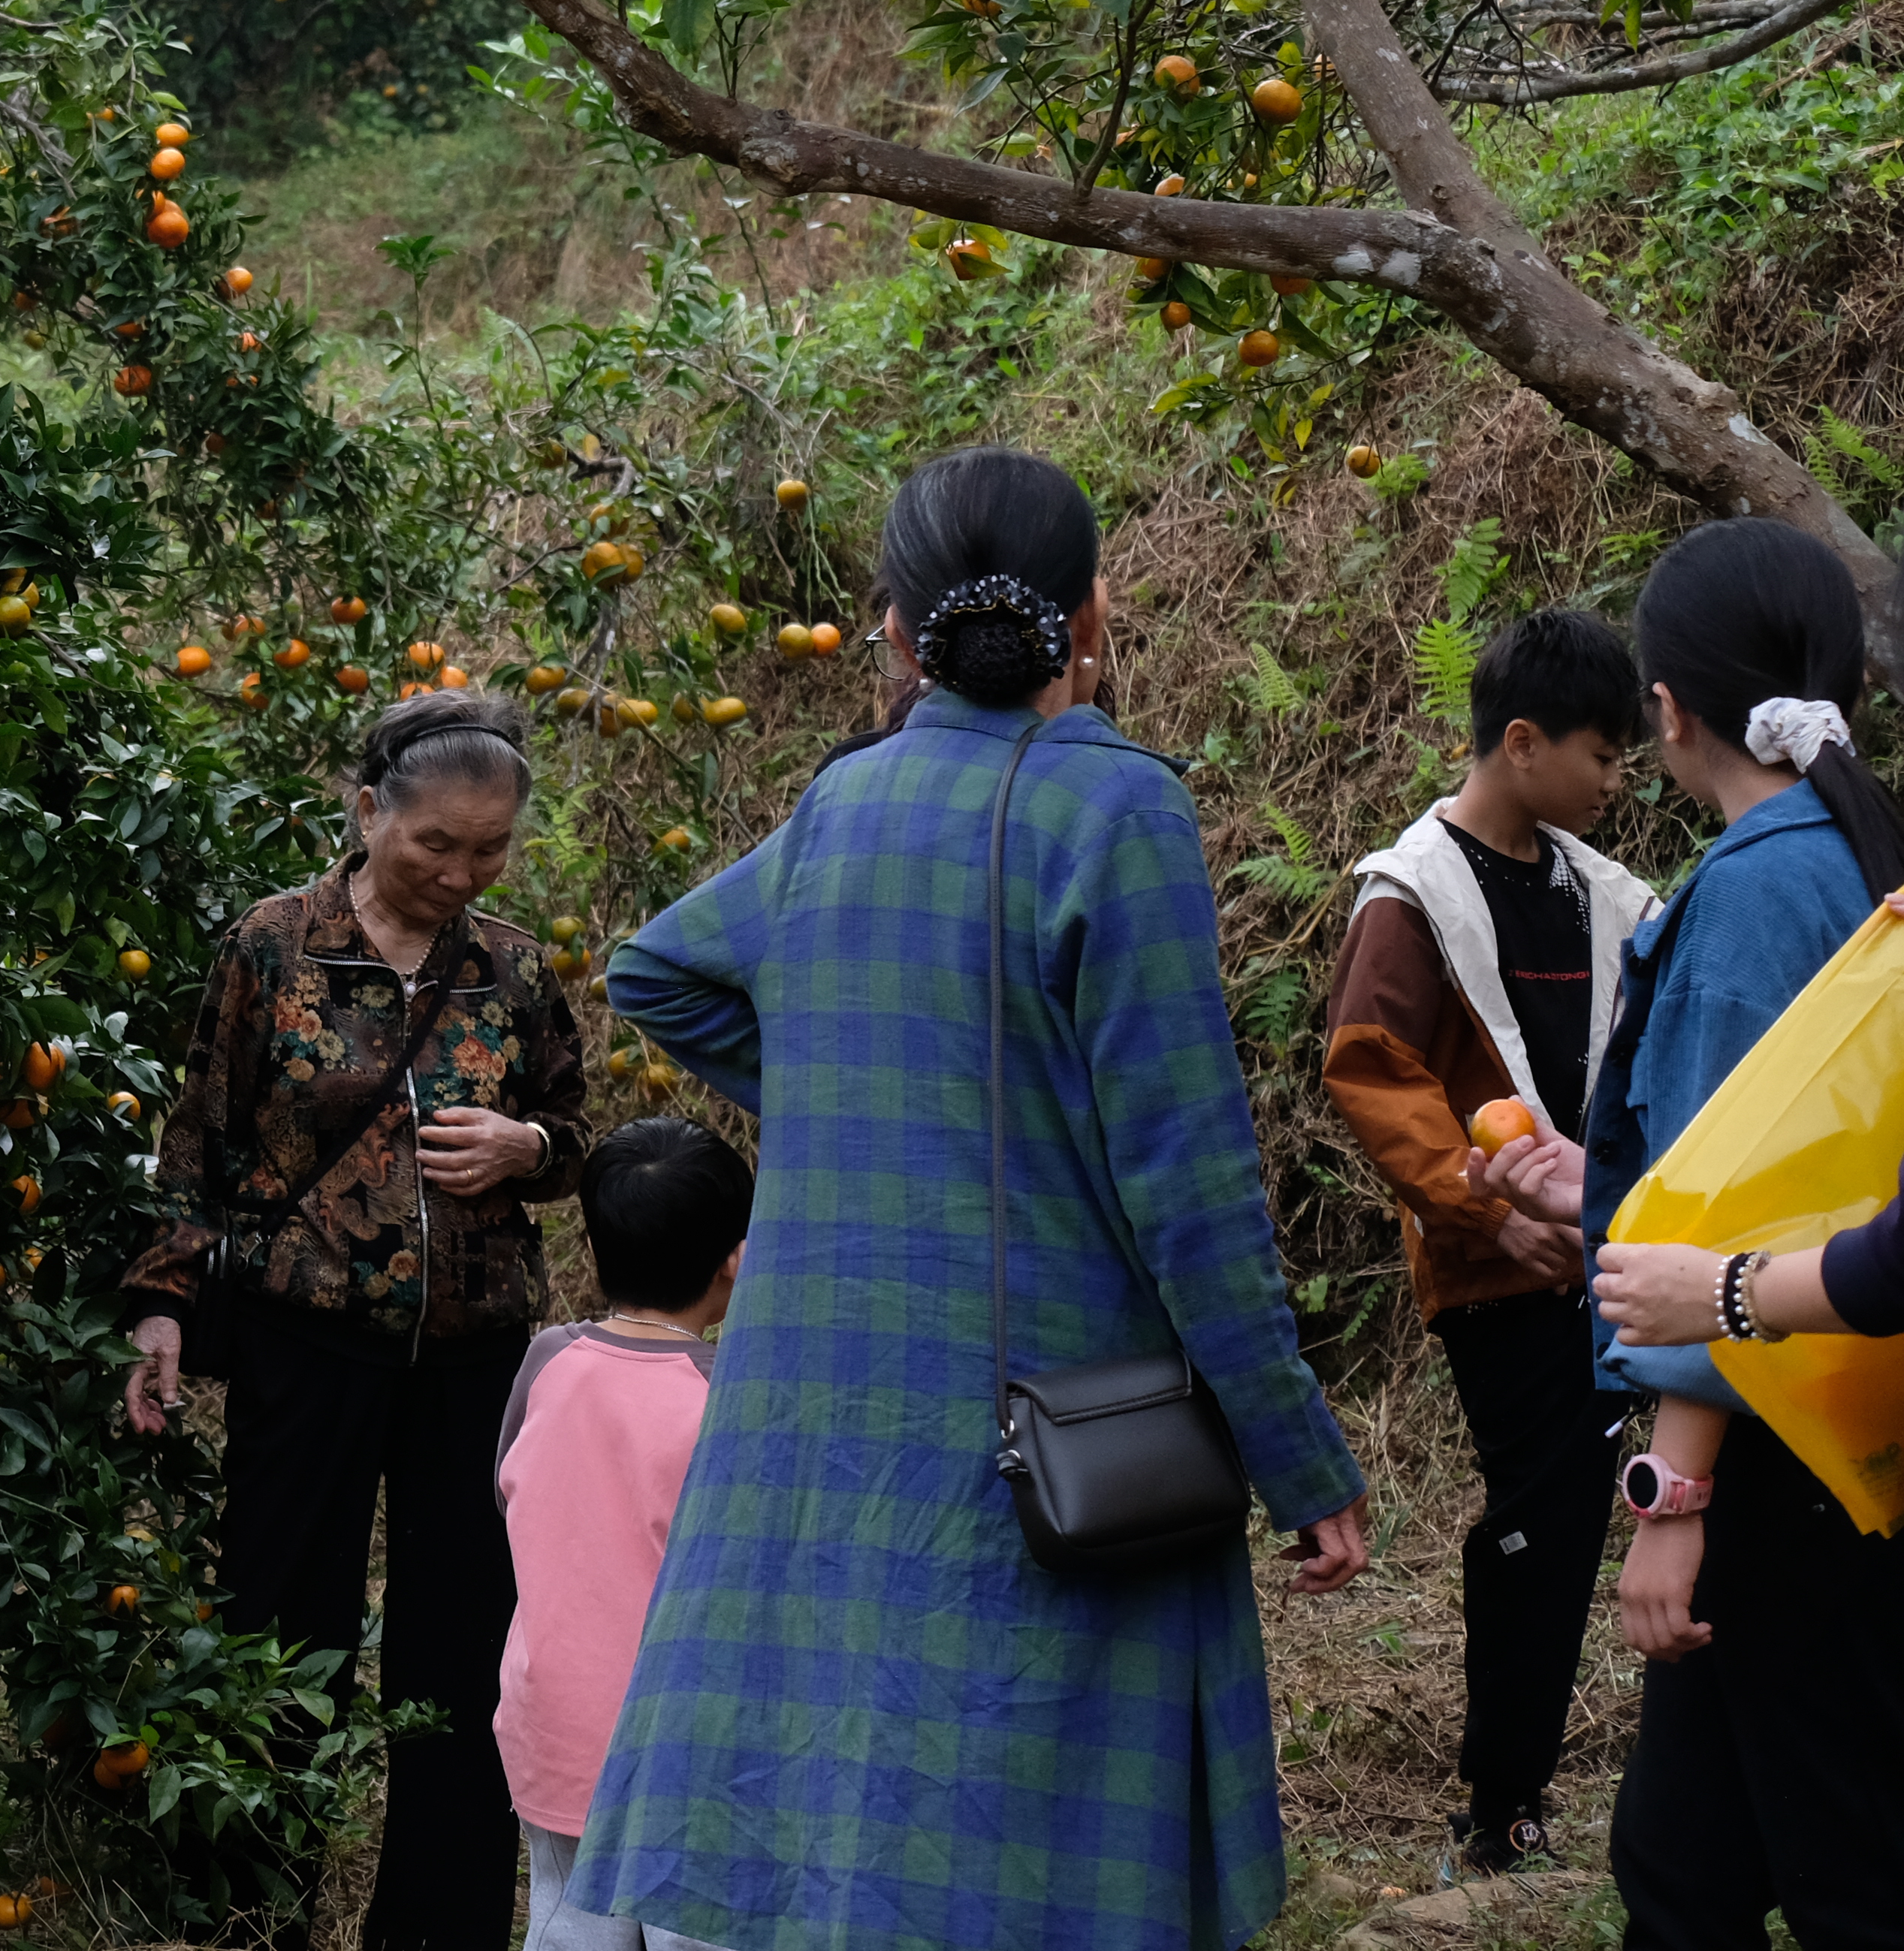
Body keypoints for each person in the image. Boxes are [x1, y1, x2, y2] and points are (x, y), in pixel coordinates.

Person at [572, 445, 1370, 1951]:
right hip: (1051, 1427)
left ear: (890, 631)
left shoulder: (838, 807)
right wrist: (1303, 1456)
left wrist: (854, 1094)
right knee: (1036, 1870)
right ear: (1096, 616)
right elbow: (1191, 1188)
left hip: (821, 1429)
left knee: (846, 1830)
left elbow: (658, 968)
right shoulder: (1118, 809)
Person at [1463, 517, 1904, 1951]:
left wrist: (1674, 1502)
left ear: (1666, 707)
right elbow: (1792, 1150)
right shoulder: (1856, 846)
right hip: (1842, 1410)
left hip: (1770, 1455)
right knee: (1688, 1865)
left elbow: (1737, 1224)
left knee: (1839, 1870)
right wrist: (1596, 1184)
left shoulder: (1756, 889)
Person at [118, 686, 590, 1951]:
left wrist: (527, 1143)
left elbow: (578, 1134)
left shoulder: (511, 968)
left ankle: (436, 1929)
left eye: (488, 848)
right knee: (282, 1630)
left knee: (465, 1650)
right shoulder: (273, 946)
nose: (459, 871)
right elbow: (195, 1140)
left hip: (474, 1352)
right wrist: (163, 1307)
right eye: (434, 842)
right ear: (366, 807)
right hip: (305, 1338)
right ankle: (249, 1913)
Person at [1323, 607, 1652, 1877]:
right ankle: (1502, 1801)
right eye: (1602, 755)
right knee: (1546, 1504)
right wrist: (1483, 1203)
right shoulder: (1413, 893)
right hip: (1498, 1264)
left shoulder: (1593, 891)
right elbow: (1370, 1066)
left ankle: (1515, 1792)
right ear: (1522, 743)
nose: (1616, 781)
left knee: (1580, 1497)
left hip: (1600, 1242)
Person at [496, 1117, 747, 1951]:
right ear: (735, 1258)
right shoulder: (729, 1402)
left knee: (570, 1927)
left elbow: (513, 1497)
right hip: (688, 1748)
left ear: (594, 1245)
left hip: (554, 1729)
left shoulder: (547, 1364)